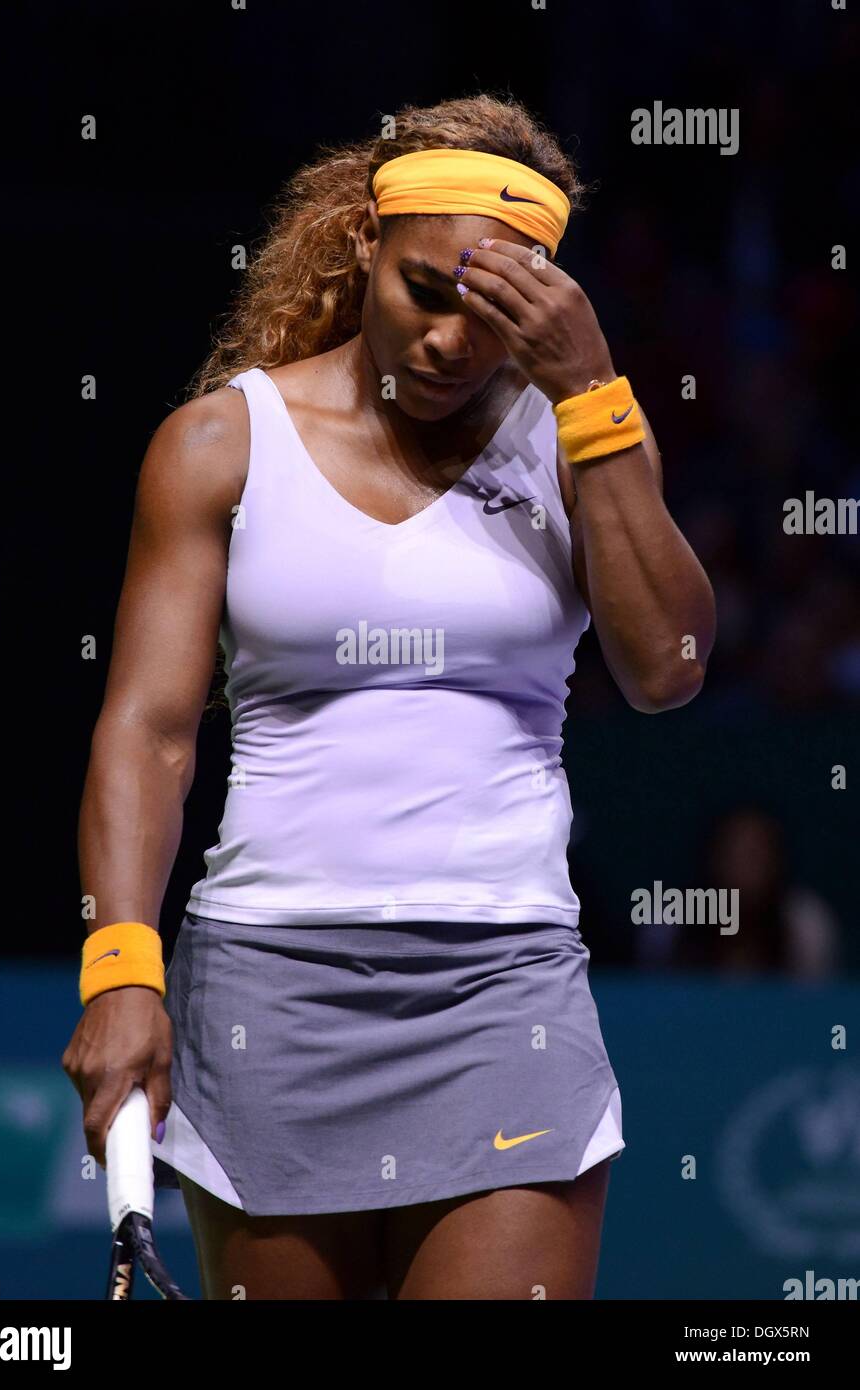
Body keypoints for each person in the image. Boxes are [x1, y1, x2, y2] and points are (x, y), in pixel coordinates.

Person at [62, 94, 715, 1300]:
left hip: (502, 992)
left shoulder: (581, 437)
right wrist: (121, 968)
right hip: (269, 993)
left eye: (494, 311)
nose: (451, 342)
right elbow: (148, 734)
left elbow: (668, 666)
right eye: (424, 289)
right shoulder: (218, 444)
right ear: (365, 241)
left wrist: (591, 390)